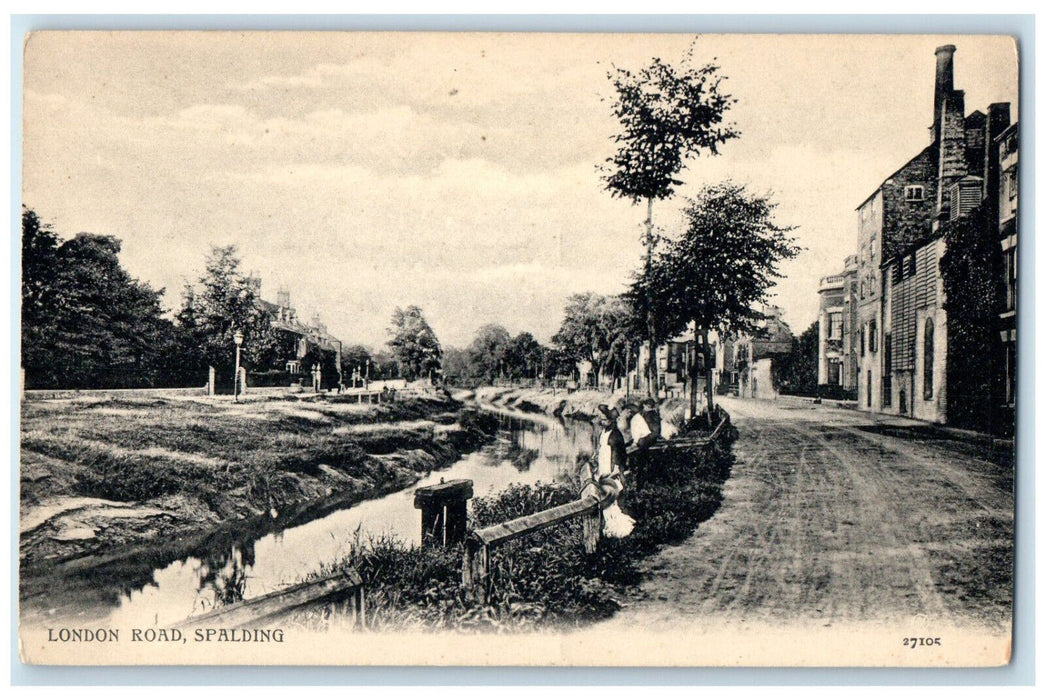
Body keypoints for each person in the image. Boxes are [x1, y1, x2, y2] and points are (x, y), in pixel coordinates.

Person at [584, 404, 634, 538]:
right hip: (603, 470)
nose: (601, 422)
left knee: (612, 501)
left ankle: (619, 531)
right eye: (601, 419)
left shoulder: (615, 436)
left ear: (612, 421)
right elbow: (601, 451)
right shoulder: (604, 433)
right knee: (606, 502)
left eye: (604, 420)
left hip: (611, 472)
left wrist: (615, 470)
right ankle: (610, 529)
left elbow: (618, 456)